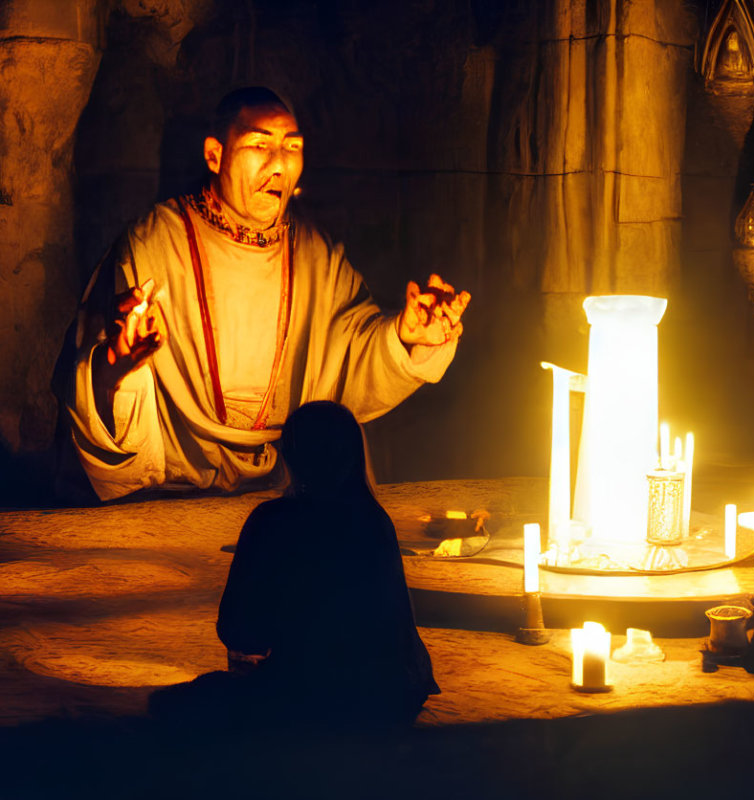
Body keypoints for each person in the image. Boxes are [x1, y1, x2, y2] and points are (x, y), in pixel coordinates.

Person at [56, 86, 469, 502]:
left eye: (292, 147)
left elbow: (350, 361)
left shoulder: (316, 254)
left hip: (283, 488)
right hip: (168, 490)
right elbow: (92, 373)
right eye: (259, 144)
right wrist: (117, 367)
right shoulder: (154, 243)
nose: (279, 165)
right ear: (215, 155)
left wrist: (404, 335)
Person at [150, 401, 438, 727]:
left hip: (317, 694)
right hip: (395, 692)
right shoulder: (374, 520)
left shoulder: (274, 520)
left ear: (289, 454)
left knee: (170, 706)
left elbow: (239, 631)